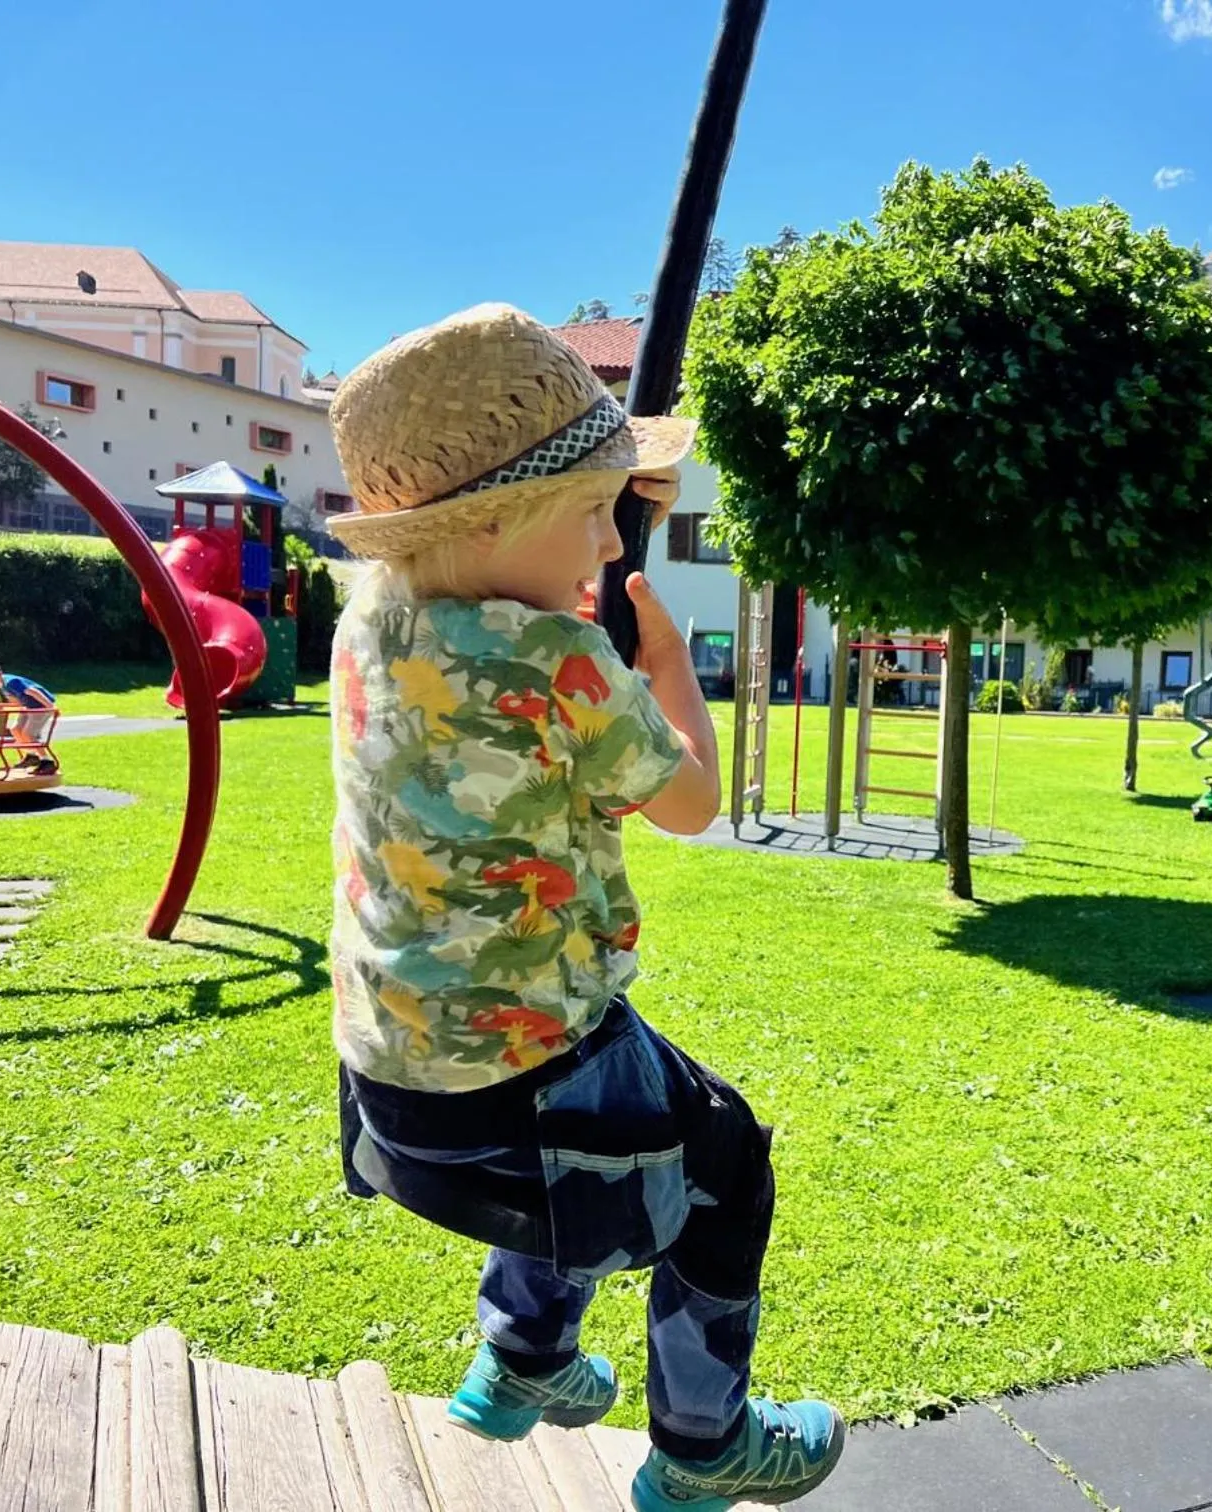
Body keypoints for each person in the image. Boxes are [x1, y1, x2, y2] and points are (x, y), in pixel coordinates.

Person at [324, 305, 842, 1512]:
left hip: (393, 1070)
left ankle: (522, 1368)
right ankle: (704, 1448)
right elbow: (694, 802)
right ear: (494, 519)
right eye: (597, 511)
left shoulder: (365, 623)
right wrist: (665, 668)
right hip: (527, 1066)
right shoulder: (565, 660)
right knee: (724, 1160)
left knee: (606, 1138)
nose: (613, 547)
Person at [0, 661, 58, 774]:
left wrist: (51, 707)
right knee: (15, 729)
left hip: (40, 707)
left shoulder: (11, 682)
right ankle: (31, 756)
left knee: (28, 734)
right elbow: (16, 702)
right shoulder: (2, 685)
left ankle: (47, 762)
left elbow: (33, 691)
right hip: (28, 707)